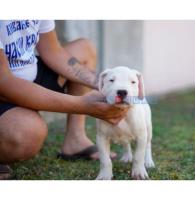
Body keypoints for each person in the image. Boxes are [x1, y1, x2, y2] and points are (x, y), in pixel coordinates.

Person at [0, 20, 129, 179]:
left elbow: (53, 51)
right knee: (27, 134)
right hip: (5, 85)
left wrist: (101, 84)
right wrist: (83, 105)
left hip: (29, 74)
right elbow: (4, 82)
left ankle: (75, 140)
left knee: (84, 49)